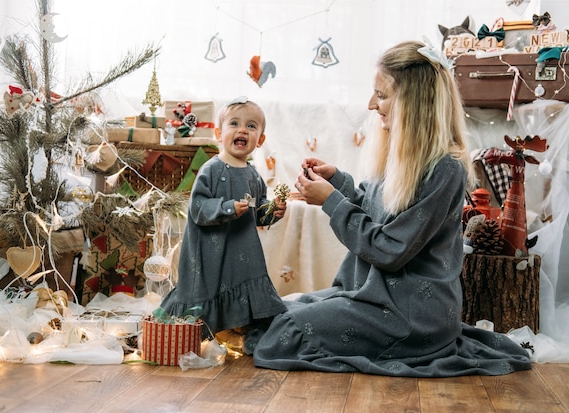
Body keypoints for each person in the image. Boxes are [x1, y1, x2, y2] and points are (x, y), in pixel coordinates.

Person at [244, 41, 532, 376]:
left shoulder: (445, 170)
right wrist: (337, 181)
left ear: (414, 101)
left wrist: (329, 200)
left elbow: (389, 248)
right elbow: (374, 208)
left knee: (285, 330)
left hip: (409, 314)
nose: (370, 104)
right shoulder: (400, 157)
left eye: (381, 95)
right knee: (277, 309)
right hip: (372, 298)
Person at [158, 97, 287, 339]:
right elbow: (197, 208)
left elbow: (257, 212)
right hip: (211, 250)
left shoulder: (253, 175)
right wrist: (227, 208)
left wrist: (272, 212)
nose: (242, 130)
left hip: (243, 252)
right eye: (234, 124)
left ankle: (243, 326)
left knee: (241, 282)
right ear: (219, 133)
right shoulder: (212, 170)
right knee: (210, 289)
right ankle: (201, 331)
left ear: (260, 140)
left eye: (251, 126)